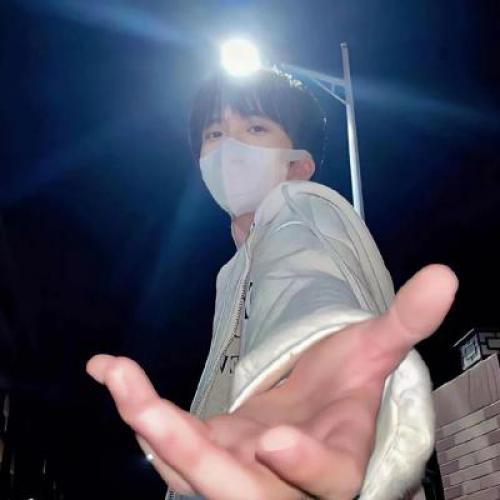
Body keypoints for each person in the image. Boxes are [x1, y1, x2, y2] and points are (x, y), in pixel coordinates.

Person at [86, 69, 458, 499]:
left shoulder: (298, 205)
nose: (229, 147)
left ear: (297, 165)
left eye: (256, 128)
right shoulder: (238, 266)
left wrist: (316, 354)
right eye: (214, 133)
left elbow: (304, 278)